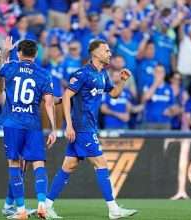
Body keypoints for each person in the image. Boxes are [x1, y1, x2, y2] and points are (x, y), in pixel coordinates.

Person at [45, 40, 137, 219]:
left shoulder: (102, 74)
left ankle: (46, 206)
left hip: (88, 126)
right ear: (95, 53)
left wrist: (122, 81)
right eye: (106, 50)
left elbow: (114, 94)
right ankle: (114, 210)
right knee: (101, 164)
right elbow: (66, 96)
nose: (110, 53)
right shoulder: (82, 74)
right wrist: (69, 125)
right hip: (82, 127)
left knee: (68, 166)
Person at [0, 38, 57, 219]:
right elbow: (48, 103)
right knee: (38, 163)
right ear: (36, 54)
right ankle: (41, 204)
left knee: (15, 164)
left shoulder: (10, 67)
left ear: (19, 53)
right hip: (33, 125)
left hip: (12, 123)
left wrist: (5, 52)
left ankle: (21, 210)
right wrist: (53, 128)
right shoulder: (44, 74)